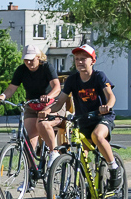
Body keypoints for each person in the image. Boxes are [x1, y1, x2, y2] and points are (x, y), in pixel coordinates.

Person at [46, 44, 121, 191]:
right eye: (77, 59)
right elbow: (60, 101)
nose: (79, 62)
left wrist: (107, 106)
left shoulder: (99, 76)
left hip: (102, 118)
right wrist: (48, 111)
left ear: (92, 61)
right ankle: (82, 192)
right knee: (80, 155)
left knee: (97, 136)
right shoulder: (72, 80)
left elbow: (110, 96)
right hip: (83, 120)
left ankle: (114, 168)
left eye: (83, 59)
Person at [0, 44, 62, 170]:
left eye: (32, 59)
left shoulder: (46, 67)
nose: (29, 62)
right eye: (26, 59)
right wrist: (3, 96)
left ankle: (54, 153)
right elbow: (11, 88)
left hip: (49, 105)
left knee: (41, 124)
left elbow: (57, 87)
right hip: (32, 105)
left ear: (38, 57)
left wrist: (48, 96)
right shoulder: (21, 70)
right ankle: (31, 174)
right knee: (28, 140)